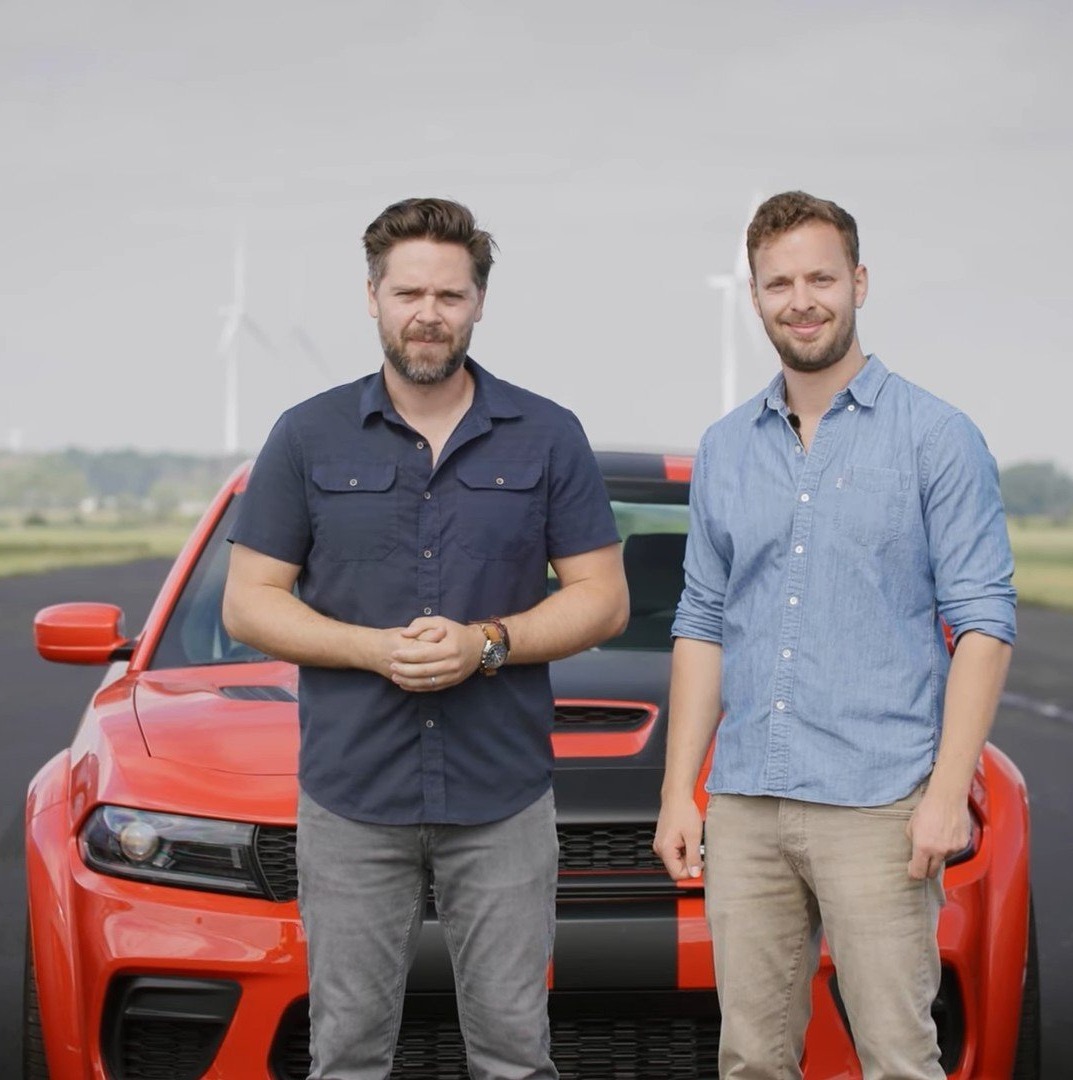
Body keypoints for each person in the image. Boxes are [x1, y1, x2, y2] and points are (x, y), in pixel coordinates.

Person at [223, 197, 629, 1080]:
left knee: (516, 1057)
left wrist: (489, 643)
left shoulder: (548, 434)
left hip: (503, 797)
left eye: (450, 294)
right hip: (351, 798)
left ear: (480, 302)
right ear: (372, 296)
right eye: (409, 291)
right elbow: (250, 602)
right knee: (348, 1057)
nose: (429, 313)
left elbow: (602, 598)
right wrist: (375, 649)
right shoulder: (306, 434)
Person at [653, 191, 1016, 1080]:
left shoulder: (938, 437)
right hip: (746, 804)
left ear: (859, 282)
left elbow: (984, 625)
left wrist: (944, 793)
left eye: (820, 277)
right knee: (750, 1060)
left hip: (880, 806)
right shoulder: (726, 448)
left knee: (896, 1056)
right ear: (754, 296)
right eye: (779, 283)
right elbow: (702, 622)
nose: (801, 299)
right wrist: (677, 792)